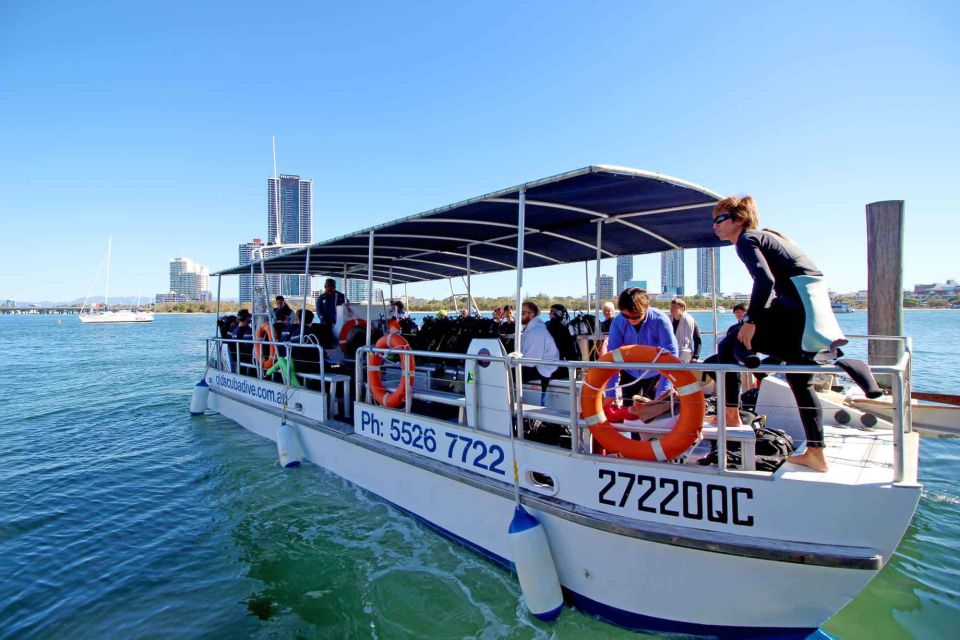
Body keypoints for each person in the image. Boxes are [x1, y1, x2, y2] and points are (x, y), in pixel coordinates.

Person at [712, 195, 829, 471]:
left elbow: (765, 280)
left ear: (739, 220)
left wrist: (751, 320)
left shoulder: (747, 239)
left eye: (719, 219)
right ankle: (816, 453)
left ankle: (731, 415)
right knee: (801, 380)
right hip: (811, 315)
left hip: (794, 313)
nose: (714, 226)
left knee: (729, 342)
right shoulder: (768, 237)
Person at [605, 287, 678, 401]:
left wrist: (663, 392)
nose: (631, 319)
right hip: (629, 371)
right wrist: (610, 393)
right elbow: (612, 356)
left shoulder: (660, 320)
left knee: (655, 414)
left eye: (636, 316)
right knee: (628, 412)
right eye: (626, 316)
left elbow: (672, 355)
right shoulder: (618, 322)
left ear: (646, 308)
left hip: (655, 372)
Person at [518, 301, 560, 386]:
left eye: (522, 313)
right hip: (536, 365)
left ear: (531, 314)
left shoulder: (537, 331)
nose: (519, 316)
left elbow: (531, 361)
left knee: (507, 373)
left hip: (544, 369)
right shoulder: (529, 330)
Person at [545, 304, 579, 374]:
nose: (549, 314)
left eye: (552, 311)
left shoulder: (551, 327)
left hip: (557, 366)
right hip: (567, 365)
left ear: (557, 313)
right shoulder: (567, 328)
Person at [669, 298, 701, 363]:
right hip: (671, 348)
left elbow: (697, 339)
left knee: (677, 364)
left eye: (674, 307)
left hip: (686, 350)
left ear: (682, 308)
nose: (671, 308)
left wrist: (695, 356)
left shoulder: (690, 321)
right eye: (671, 306)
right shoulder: (668, 319)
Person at [229, 309, 254, 374]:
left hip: (235, 360)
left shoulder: (233, 331)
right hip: (248, 361)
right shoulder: (251, 331)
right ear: (247, 318)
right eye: (249, 317)